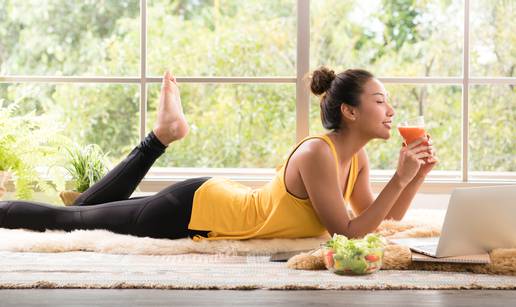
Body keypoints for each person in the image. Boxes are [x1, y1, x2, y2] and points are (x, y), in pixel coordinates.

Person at [0, 67, 437, 242]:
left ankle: (162, 136)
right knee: (66, 222)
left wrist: (415, 174)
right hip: (191, 211)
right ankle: (161, 135)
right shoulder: (317, 154)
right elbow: (348, 232)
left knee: (84, 213)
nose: (391, 110)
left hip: (215, 199)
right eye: (380, 101)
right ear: (349, 110)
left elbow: (381, 220)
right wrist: (398, 178)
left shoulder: (355, 158)